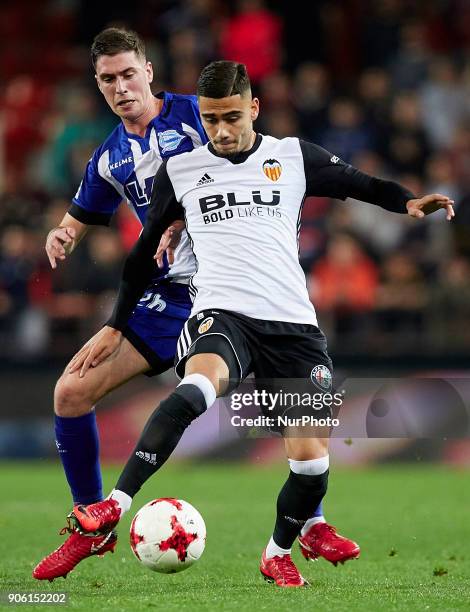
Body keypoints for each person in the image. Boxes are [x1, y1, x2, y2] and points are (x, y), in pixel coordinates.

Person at [66, 61, 454, 587]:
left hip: (293, 324)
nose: (221, 131)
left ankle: (278, 550)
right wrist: (116, 323)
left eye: (231, 117)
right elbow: (138, 260)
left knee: (311, 463)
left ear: (253, 109)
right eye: (210, 120)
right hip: (222, 313)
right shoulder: (179, 171)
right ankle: (112, 505)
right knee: (198, 387)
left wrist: (405, 201)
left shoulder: (292, 155)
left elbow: (357, 183)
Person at [33, 33, 357, 582]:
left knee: (293, 406)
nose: (121, 87)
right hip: (171, 298)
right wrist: (63, 234)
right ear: (99, 85)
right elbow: (85, 211)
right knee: (70, 392)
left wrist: (195, 212)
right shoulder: (109, 155)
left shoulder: (198, 112)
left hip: (239, 285)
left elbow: (260, 161)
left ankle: (310, 521)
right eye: (109, 79)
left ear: (149, 71)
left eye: (128, 74)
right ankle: (95, 527)